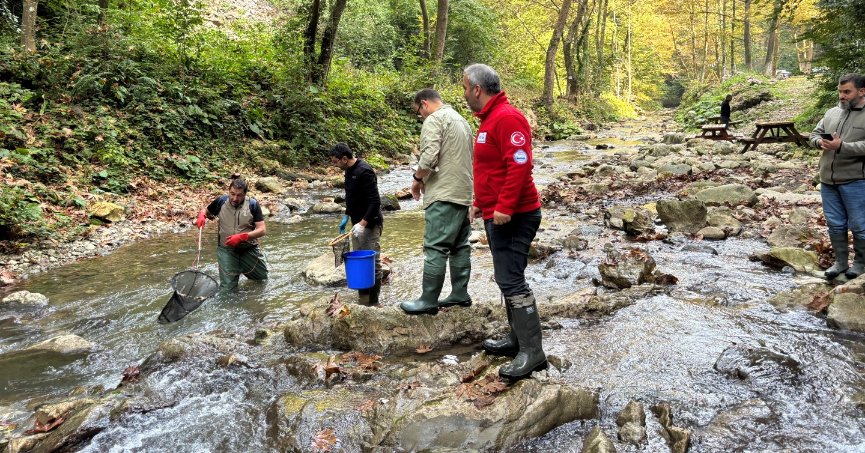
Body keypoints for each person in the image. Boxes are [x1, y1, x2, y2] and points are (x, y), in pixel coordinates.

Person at [462, 63, 546, 381]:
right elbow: (491, 170)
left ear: (477, 89)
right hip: (495, 212)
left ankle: (533, 353)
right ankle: (517, 341)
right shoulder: (489, 120)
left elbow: (520, 165)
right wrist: (479, 203)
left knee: (512, 280)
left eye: (465, 88)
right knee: (506, 278)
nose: (464, 94)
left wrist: (505, 206)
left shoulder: (507, 117)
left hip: (516, 214)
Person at [400, 88, 475, 315]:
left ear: (424, 104)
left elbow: (430, 156)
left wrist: (416, 179)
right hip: (464, 192)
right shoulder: (462, 121)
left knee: (436, 246)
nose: (420, 116)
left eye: (418, 112)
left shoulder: (434, 119)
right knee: (460, 246)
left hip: (443, 193)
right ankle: (460, 294)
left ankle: (428, 299)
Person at [810, 73, 865, 280]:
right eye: (840, 91)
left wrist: (842, 146)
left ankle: (860, 263)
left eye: (847, 92)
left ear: (862, 91)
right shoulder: (832, 112)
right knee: (834, 224)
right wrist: (819, 143)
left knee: (860, 225)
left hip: (856, 180)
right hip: (828, 180)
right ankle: (841, 262)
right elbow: (814, 134)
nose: (842, 96)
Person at [330, 143, 384, 305]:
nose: (334, 165)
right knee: (360, 263)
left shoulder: (364, 171)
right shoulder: (349, 170)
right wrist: (347, 216)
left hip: (370, 223)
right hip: (357, 223)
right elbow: (352, 196)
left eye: (335, 161)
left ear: (345, 159)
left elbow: (375, 202)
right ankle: (363, 299)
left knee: (373, 263)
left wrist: (362, 223)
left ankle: (373, 302)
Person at [195, 175, 268, 290]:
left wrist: (242, 237)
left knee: (262, 280)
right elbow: (207, 211)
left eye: (239, 195)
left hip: (249, 248)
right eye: (232, 194)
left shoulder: (252, 205)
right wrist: (202, 216)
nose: (234, 198)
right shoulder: (221, 202)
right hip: (226, 250)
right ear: (229, 191)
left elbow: (262, 230)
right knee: (228, 289)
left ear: (245, 194)